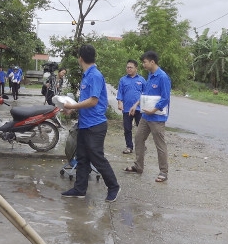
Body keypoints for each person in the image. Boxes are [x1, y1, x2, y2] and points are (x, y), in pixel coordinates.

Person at [61, 44, 121, 202]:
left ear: (80, 58)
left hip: (95, 125)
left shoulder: (94, 75)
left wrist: (72, 106)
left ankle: (113, 186)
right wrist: (72, 110)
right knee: (82, 158)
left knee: (97, 158)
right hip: (85, 123)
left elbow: (93, 101)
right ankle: (80, 189)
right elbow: (85, 101)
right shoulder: (87, 75)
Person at [123, 50, 171, 183]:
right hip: (146, 116)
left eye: (144, 62)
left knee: (160, 144)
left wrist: (154, 110)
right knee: (138, 139)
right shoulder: (150, 75)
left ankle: (163, 172)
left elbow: (165, 98)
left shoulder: (162, 77)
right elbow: (145, 93)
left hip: (157, 117)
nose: (143, 65)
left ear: (152, 62)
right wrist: (136, 104)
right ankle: (138, 166)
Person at [116, 60, 146, 154]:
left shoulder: (141, 80)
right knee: (127, 128)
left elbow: (146, 94)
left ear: (136, 68)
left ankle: (141, 145)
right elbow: (120, 93)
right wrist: (119, 102)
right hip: (127, 109)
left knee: (141, 129)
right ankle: (129, 146)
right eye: (127, 67)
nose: (128, 69)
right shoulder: (123, 80)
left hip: (139, 108)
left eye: (131, 67)